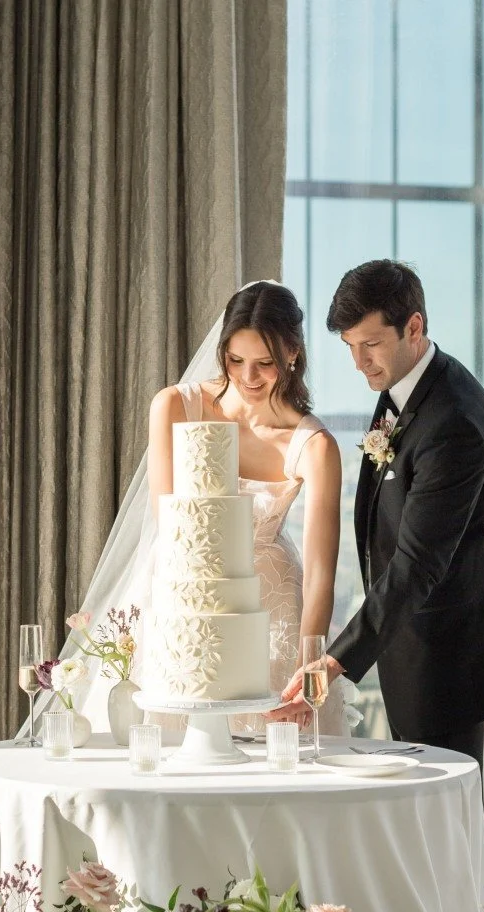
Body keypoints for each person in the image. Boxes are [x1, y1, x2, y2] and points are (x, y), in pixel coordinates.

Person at [275, 260, 484, 860]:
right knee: (432, 821)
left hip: (447, 649)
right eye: (350, 348)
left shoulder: (454, 421)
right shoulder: (405, 387)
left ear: (414, 327)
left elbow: (417, 565)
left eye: (371, 345)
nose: (360, 363)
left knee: (451, 824)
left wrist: (334, 662)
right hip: (410, 638)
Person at [146, 281, 345, 735]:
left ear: (293, 353)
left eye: (265, 363)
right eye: (235, 360)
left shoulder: (314, 445)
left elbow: (319, 575)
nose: (248, 377)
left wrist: (308, 668)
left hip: (273, 610)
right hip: (186, 602)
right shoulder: (174, 406)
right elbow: (170, 526)